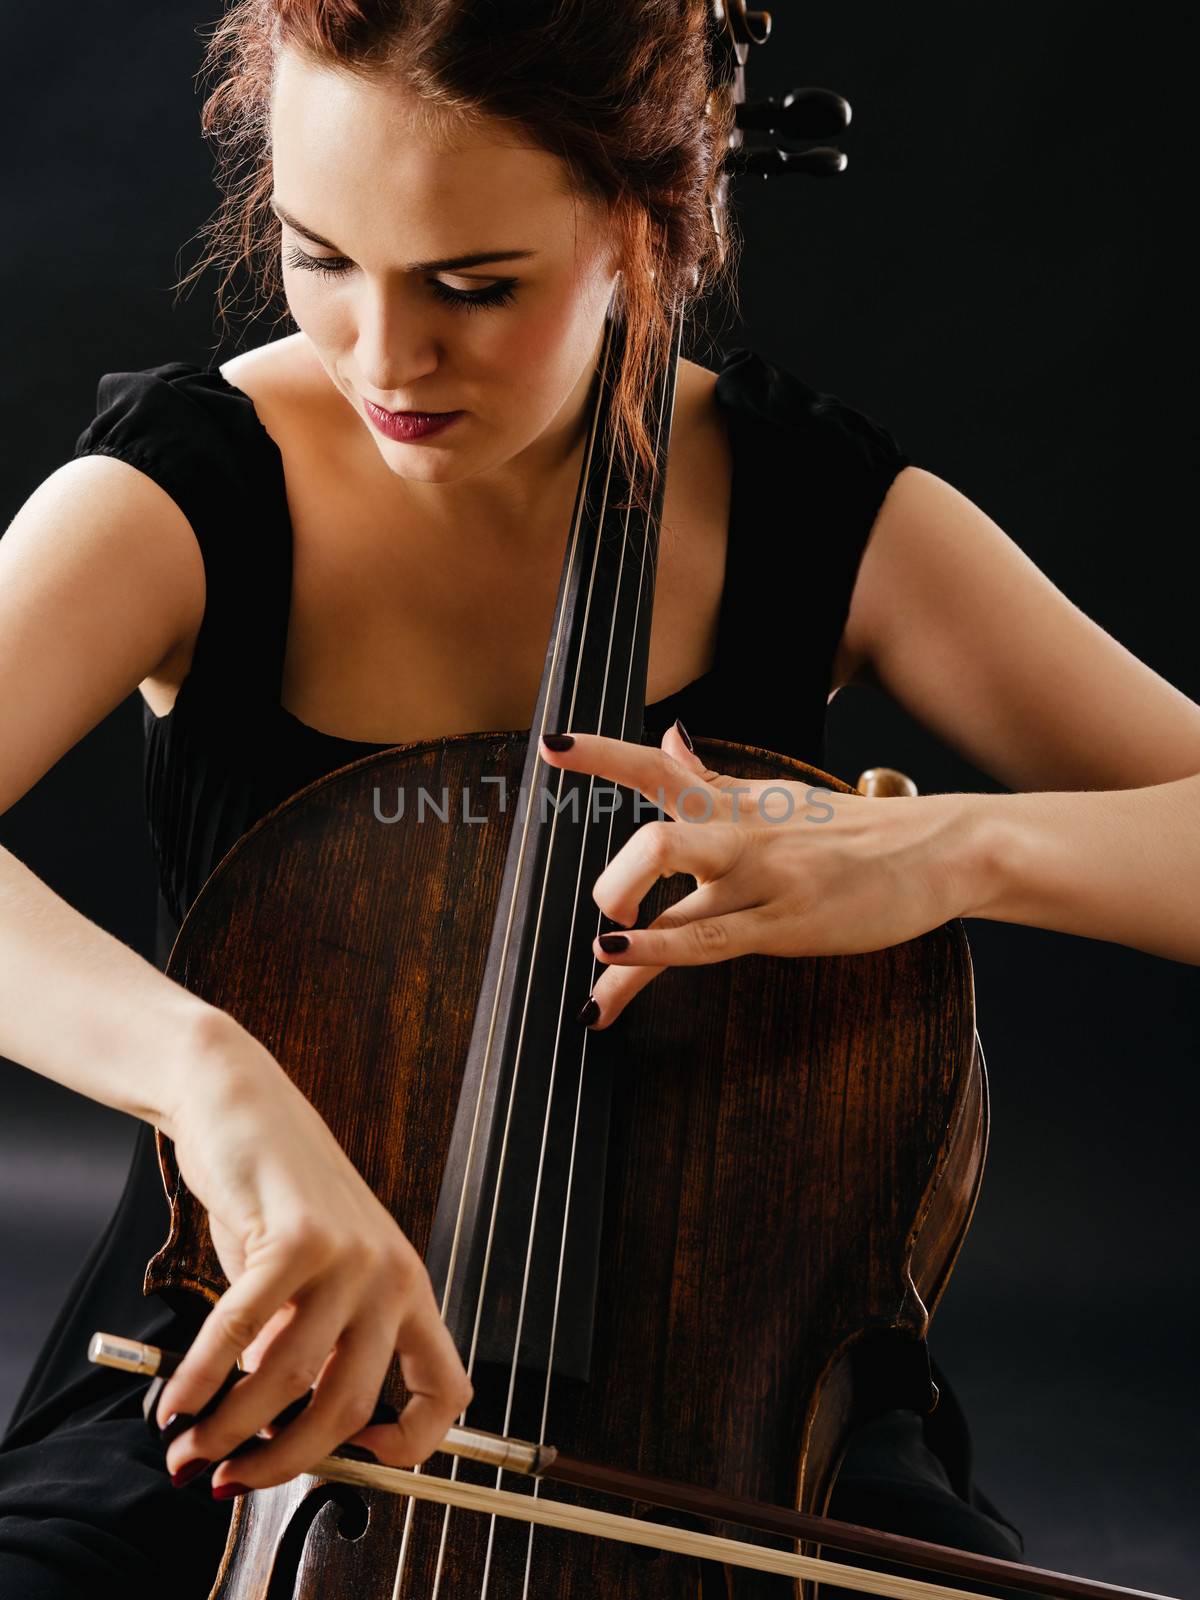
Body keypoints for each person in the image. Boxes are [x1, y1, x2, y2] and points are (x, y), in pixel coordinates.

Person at [1, 2, 1198, 1596]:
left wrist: (948, 847)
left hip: (742, 1400)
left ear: (649, 228)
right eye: (320, 256)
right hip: (256, 1334)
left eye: (474, 287)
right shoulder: (188, 490)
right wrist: (214, 1079)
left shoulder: (815, 512)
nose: (381, 355)